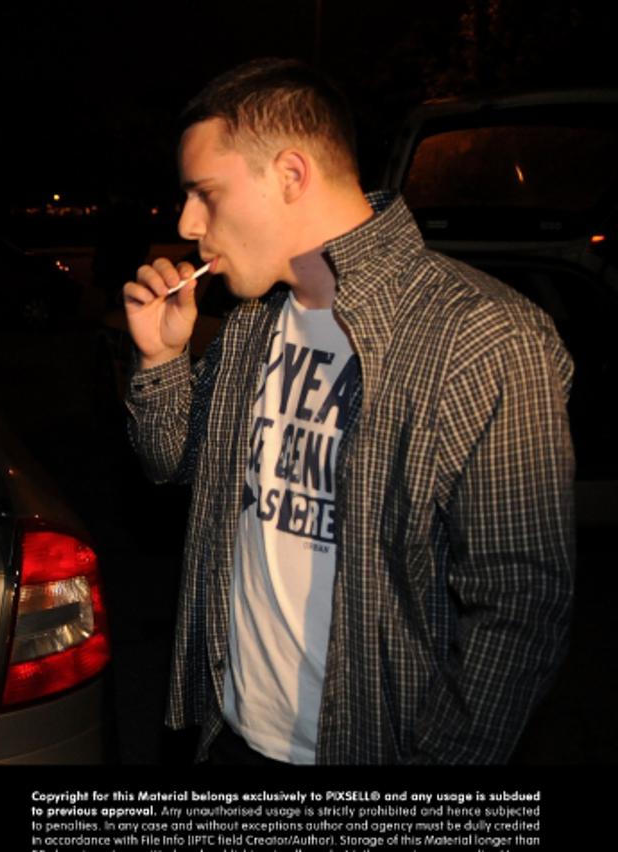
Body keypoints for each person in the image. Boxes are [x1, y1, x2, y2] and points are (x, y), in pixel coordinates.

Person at [124, 58, 574, 764]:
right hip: (230, 737)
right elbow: (172, 466)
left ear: (291, 175)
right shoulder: (251, 322)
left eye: (205, 193)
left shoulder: (484, 337)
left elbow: (519, 609)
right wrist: (160, 361)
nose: (186, 223)